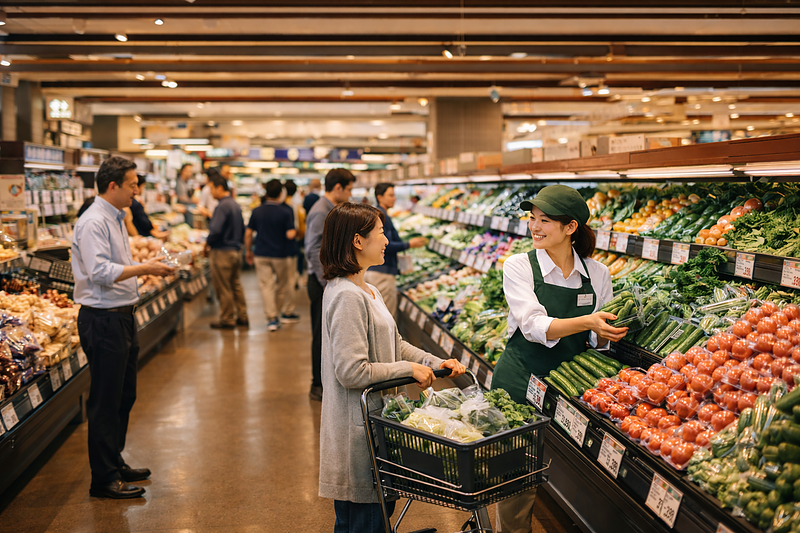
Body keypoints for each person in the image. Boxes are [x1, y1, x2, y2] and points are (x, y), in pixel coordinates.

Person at [317, 202, 466, 533]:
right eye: (381, 233)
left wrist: (431, 362)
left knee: (376, 519)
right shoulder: (346, 297)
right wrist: (407, 370)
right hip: (358, 433)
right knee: (365, 522)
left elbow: (395, 343)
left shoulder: (367, 289)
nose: (387, 241)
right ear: (357, 241)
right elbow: (351, 371)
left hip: (376, 425)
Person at [490, 184, 628, 533]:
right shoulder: (519, 266)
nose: (534, 227)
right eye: (532, 219)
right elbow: (535, 326)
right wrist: (587, 322)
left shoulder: (598, 274)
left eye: (545, 220)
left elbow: (596, 340)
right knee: (518, 478)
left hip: (571, 384)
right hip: (522, 379)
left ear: (570, 228)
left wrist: (608, 332)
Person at [72, 156, 177, 499]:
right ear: (113, 185)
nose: (137, 189)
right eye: (132, 184)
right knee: (105, 398)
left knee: (123, 393)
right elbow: (100, 271)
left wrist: (146, 265)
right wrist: (145, 267)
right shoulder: (93, 222)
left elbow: (118, 263)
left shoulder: (117, 217)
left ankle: (113, 460)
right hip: (103, 319)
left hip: (121, 315)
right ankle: (103, 478)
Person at [305, 169, 356, 402]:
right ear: (338, 188)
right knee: (320, 334)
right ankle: (317, 385)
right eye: (349, 189)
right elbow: (313, 248)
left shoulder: (328, 209)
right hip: (320, 283)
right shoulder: (320, 211)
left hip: (326, 280)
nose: (350, 194)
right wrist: (326, 281)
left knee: (328, 334)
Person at [365, 183, 427, 318]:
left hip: (374, 271)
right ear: (380, 197)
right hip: (383, 273)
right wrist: (409, 244)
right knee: (386, 318)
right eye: (391, 195)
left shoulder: (379, 215)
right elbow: (386, 246)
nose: (394, 199)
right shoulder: (382, 217)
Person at [245, 179, 298, 331]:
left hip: (261, 253)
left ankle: (271, 318)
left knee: (266, 286)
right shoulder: (285, 211)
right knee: (281, 286)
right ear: (281, 193)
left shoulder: (257, 211)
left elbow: (248, 233)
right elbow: (290, 234)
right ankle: (278, 313)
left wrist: (248, 251)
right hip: (280, 254)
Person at [205, 173, 248, 329]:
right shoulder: (234, 204)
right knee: (235, 284)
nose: (210, 193)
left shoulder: (222, 206)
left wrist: (207, 243)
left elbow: (216, 230)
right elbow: (242, 228)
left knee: (223, 287)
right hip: (235, 251)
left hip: (222, 252)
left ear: (220, 187)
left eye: (211, 189)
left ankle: (227, 319)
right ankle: (242, 316)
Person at [124, 175, 169, 239]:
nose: (136, 190)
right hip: (143, 235)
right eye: (143, 187)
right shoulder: (134, 204)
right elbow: (144, 223)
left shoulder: (133, 203)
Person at [174, 163, 195, 228]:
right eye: (189, 171)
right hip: (180, 209)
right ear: (183, 171)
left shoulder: (187, 182)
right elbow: (181, 197)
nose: (190, 173)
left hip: (185, 208)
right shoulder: (178, 182)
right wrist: (193, 200)